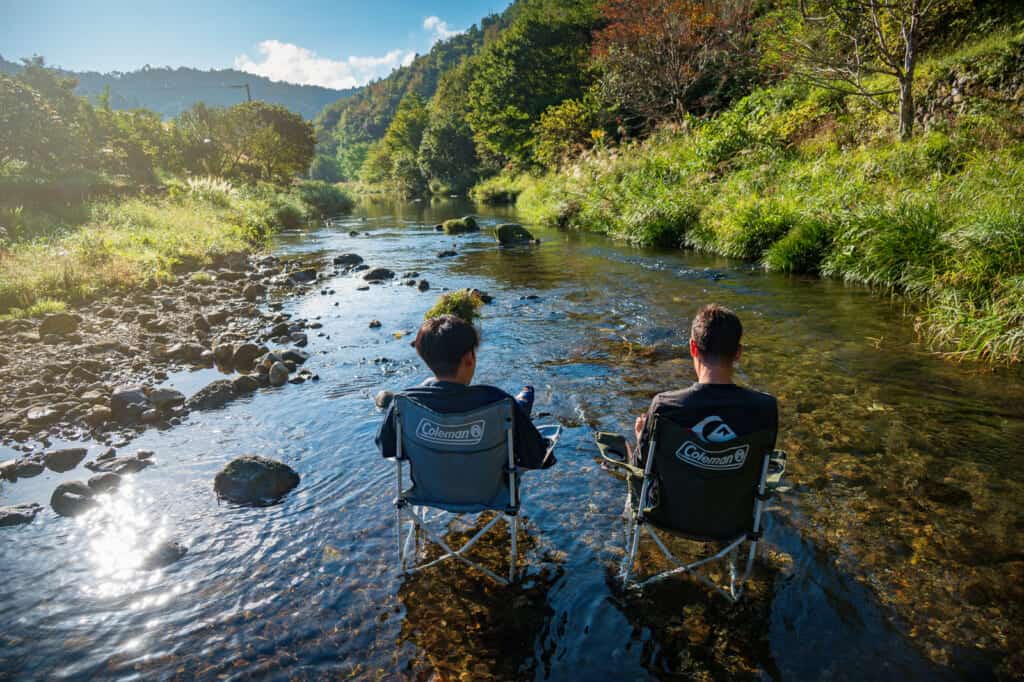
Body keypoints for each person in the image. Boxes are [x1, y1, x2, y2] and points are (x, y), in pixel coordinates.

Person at [375, 314, 554, 469]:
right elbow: (537, 458)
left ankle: (522, 405)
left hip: (429, 489)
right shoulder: (498, 400)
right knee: (516, 413)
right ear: (469, 358)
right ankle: (522, 404)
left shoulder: (403, 403)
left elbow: (387, 448)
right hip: (491, 491)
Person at [630, 304, 777, 469]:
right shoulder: (765, 408)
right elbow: (763, 465)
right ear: (738, 352)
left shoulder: (665, 407)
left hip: (678, 494)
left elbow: (641, 467)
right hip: (735, 494)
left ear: (693, 348)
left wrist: (642, 437)